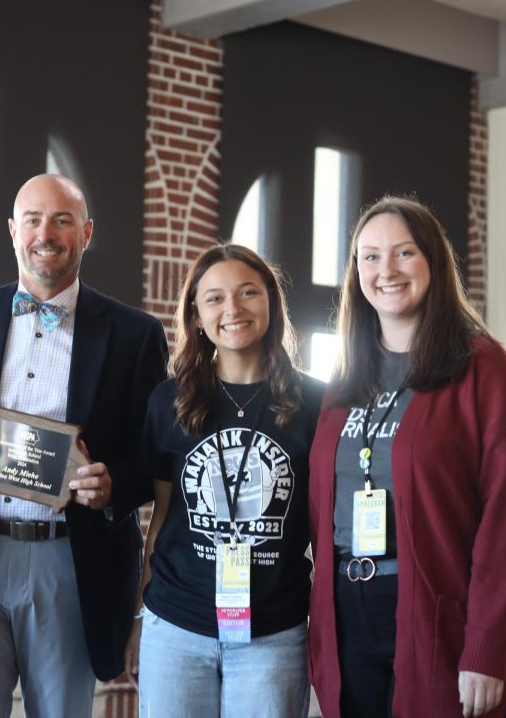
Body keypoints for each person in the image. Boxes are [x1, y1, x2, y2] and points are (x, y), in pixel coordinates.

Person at [0, 173, 168, 717]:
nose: (46, 233)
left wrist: (112, 483)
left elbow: (155, 453)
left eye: (62, 220)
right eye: (33, 219)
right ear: (12, 231)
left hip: (73, 558)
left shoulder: (135, 333)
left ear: (86, 233)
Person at [307, 196, 506, 718]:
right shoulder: (345, 380)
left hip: (441, 615)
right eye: (369, 256)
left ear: (433, 259)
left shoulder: (482, 366)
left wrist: (485, 646)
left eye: (403, 252)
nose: (385, 270)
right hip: (349, 614)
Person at [125, 243, 324, 718]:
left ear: (271, 304)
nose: (232, 309)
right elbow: (161, 519)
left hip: (274, 634)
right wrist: (139, 618)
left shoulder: (317, 404)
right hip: (176, 627)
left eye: (247, 293)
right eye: (214, 298)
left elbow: (323, 527)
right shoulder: (169, 401)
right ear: (196, 315)